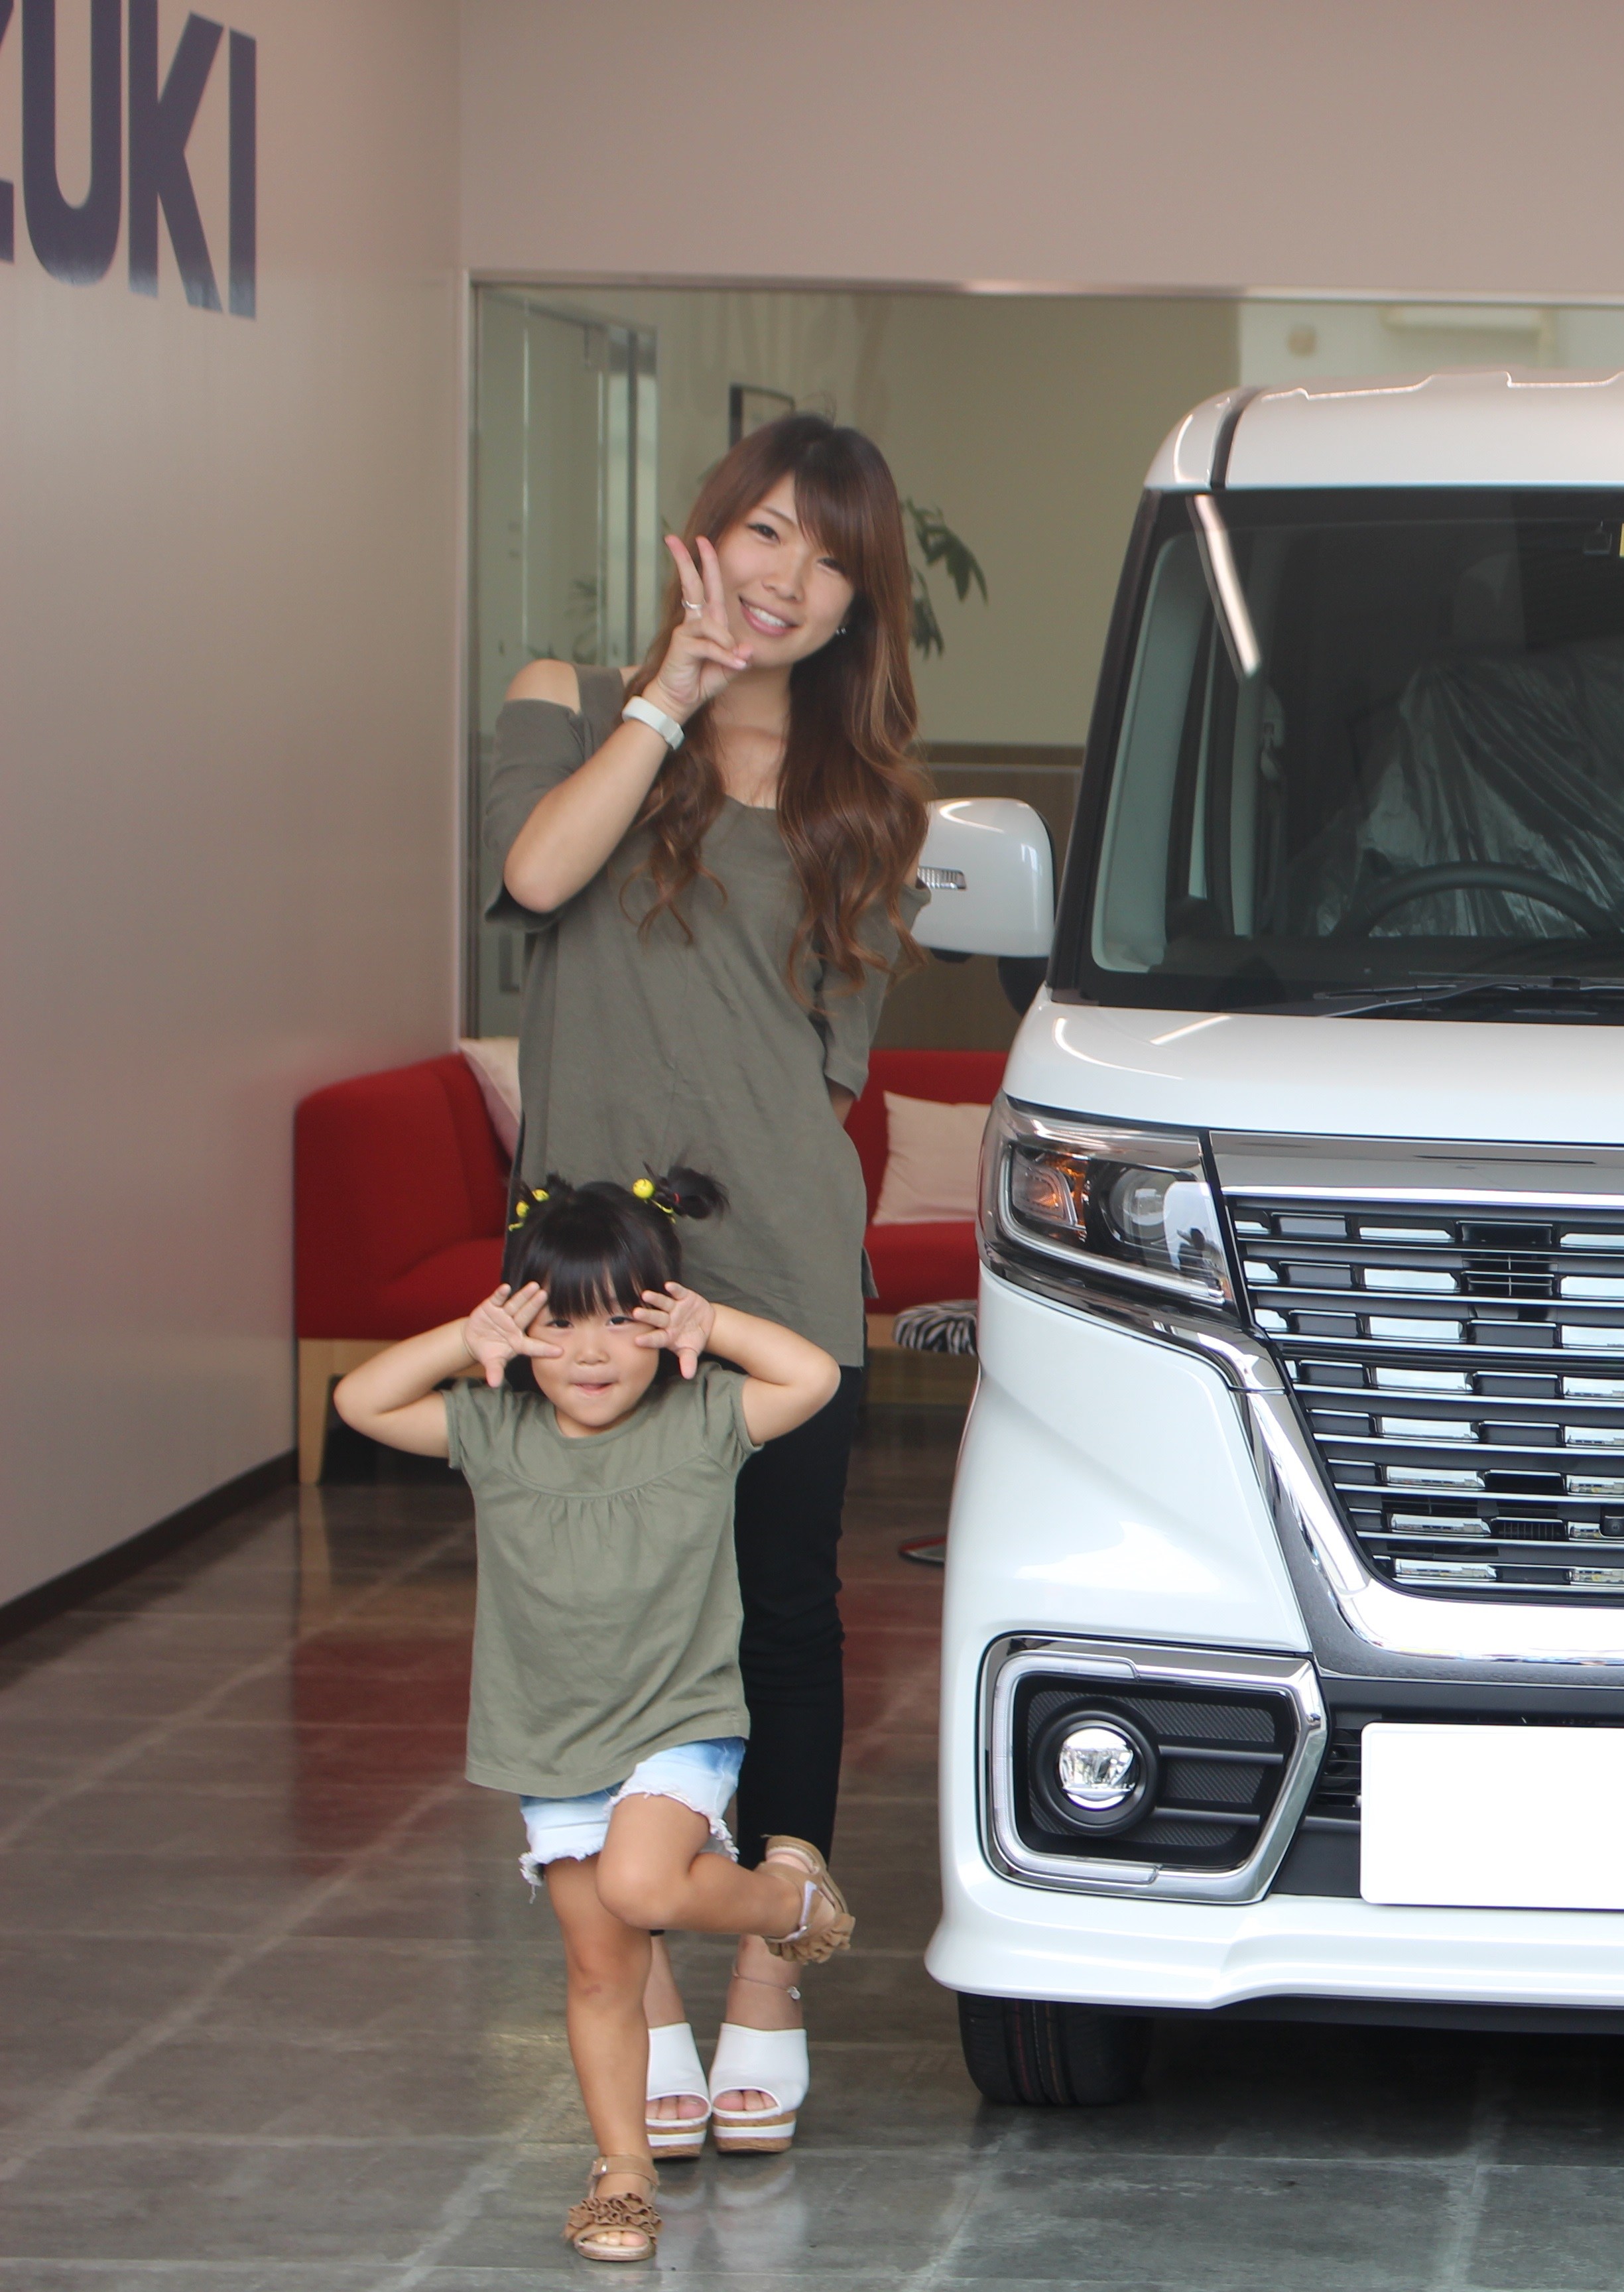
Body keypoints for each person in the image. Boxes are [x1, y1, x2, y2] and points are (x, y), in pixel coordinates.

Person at [484, 412, 928, 2152]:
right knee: (598, 1625)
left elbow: (826, 1071)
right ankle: (643, 1984)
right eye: (766, 532)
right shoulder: (562, 702)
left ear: (860, 602)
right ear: (708, 532)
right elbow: (537, 875)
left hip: (779, 1255)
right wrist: (668, 694)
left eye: (830, 557)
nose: (787, 578)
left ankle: (768, 1969)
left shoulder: (866, 803)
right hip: (589, 1273)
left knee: (782, 1618)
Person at [333, 1175, 859, 2265]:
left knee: (642, 1885)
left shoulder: (705, 1419)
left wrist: (716, 1327)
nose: (589, 1353)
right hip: (553, 1739)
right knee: (599, 1970)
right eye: (558, 1323)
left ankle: (782, 1898)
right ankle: (622, 2173)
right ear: (519, 1329)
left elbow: (809, 1376)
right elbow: (362, 1403)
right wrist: (466, 1338)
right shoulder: (495, 1431)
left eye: (622, 1321)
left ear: (663, 1324)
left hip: (680, 1715)